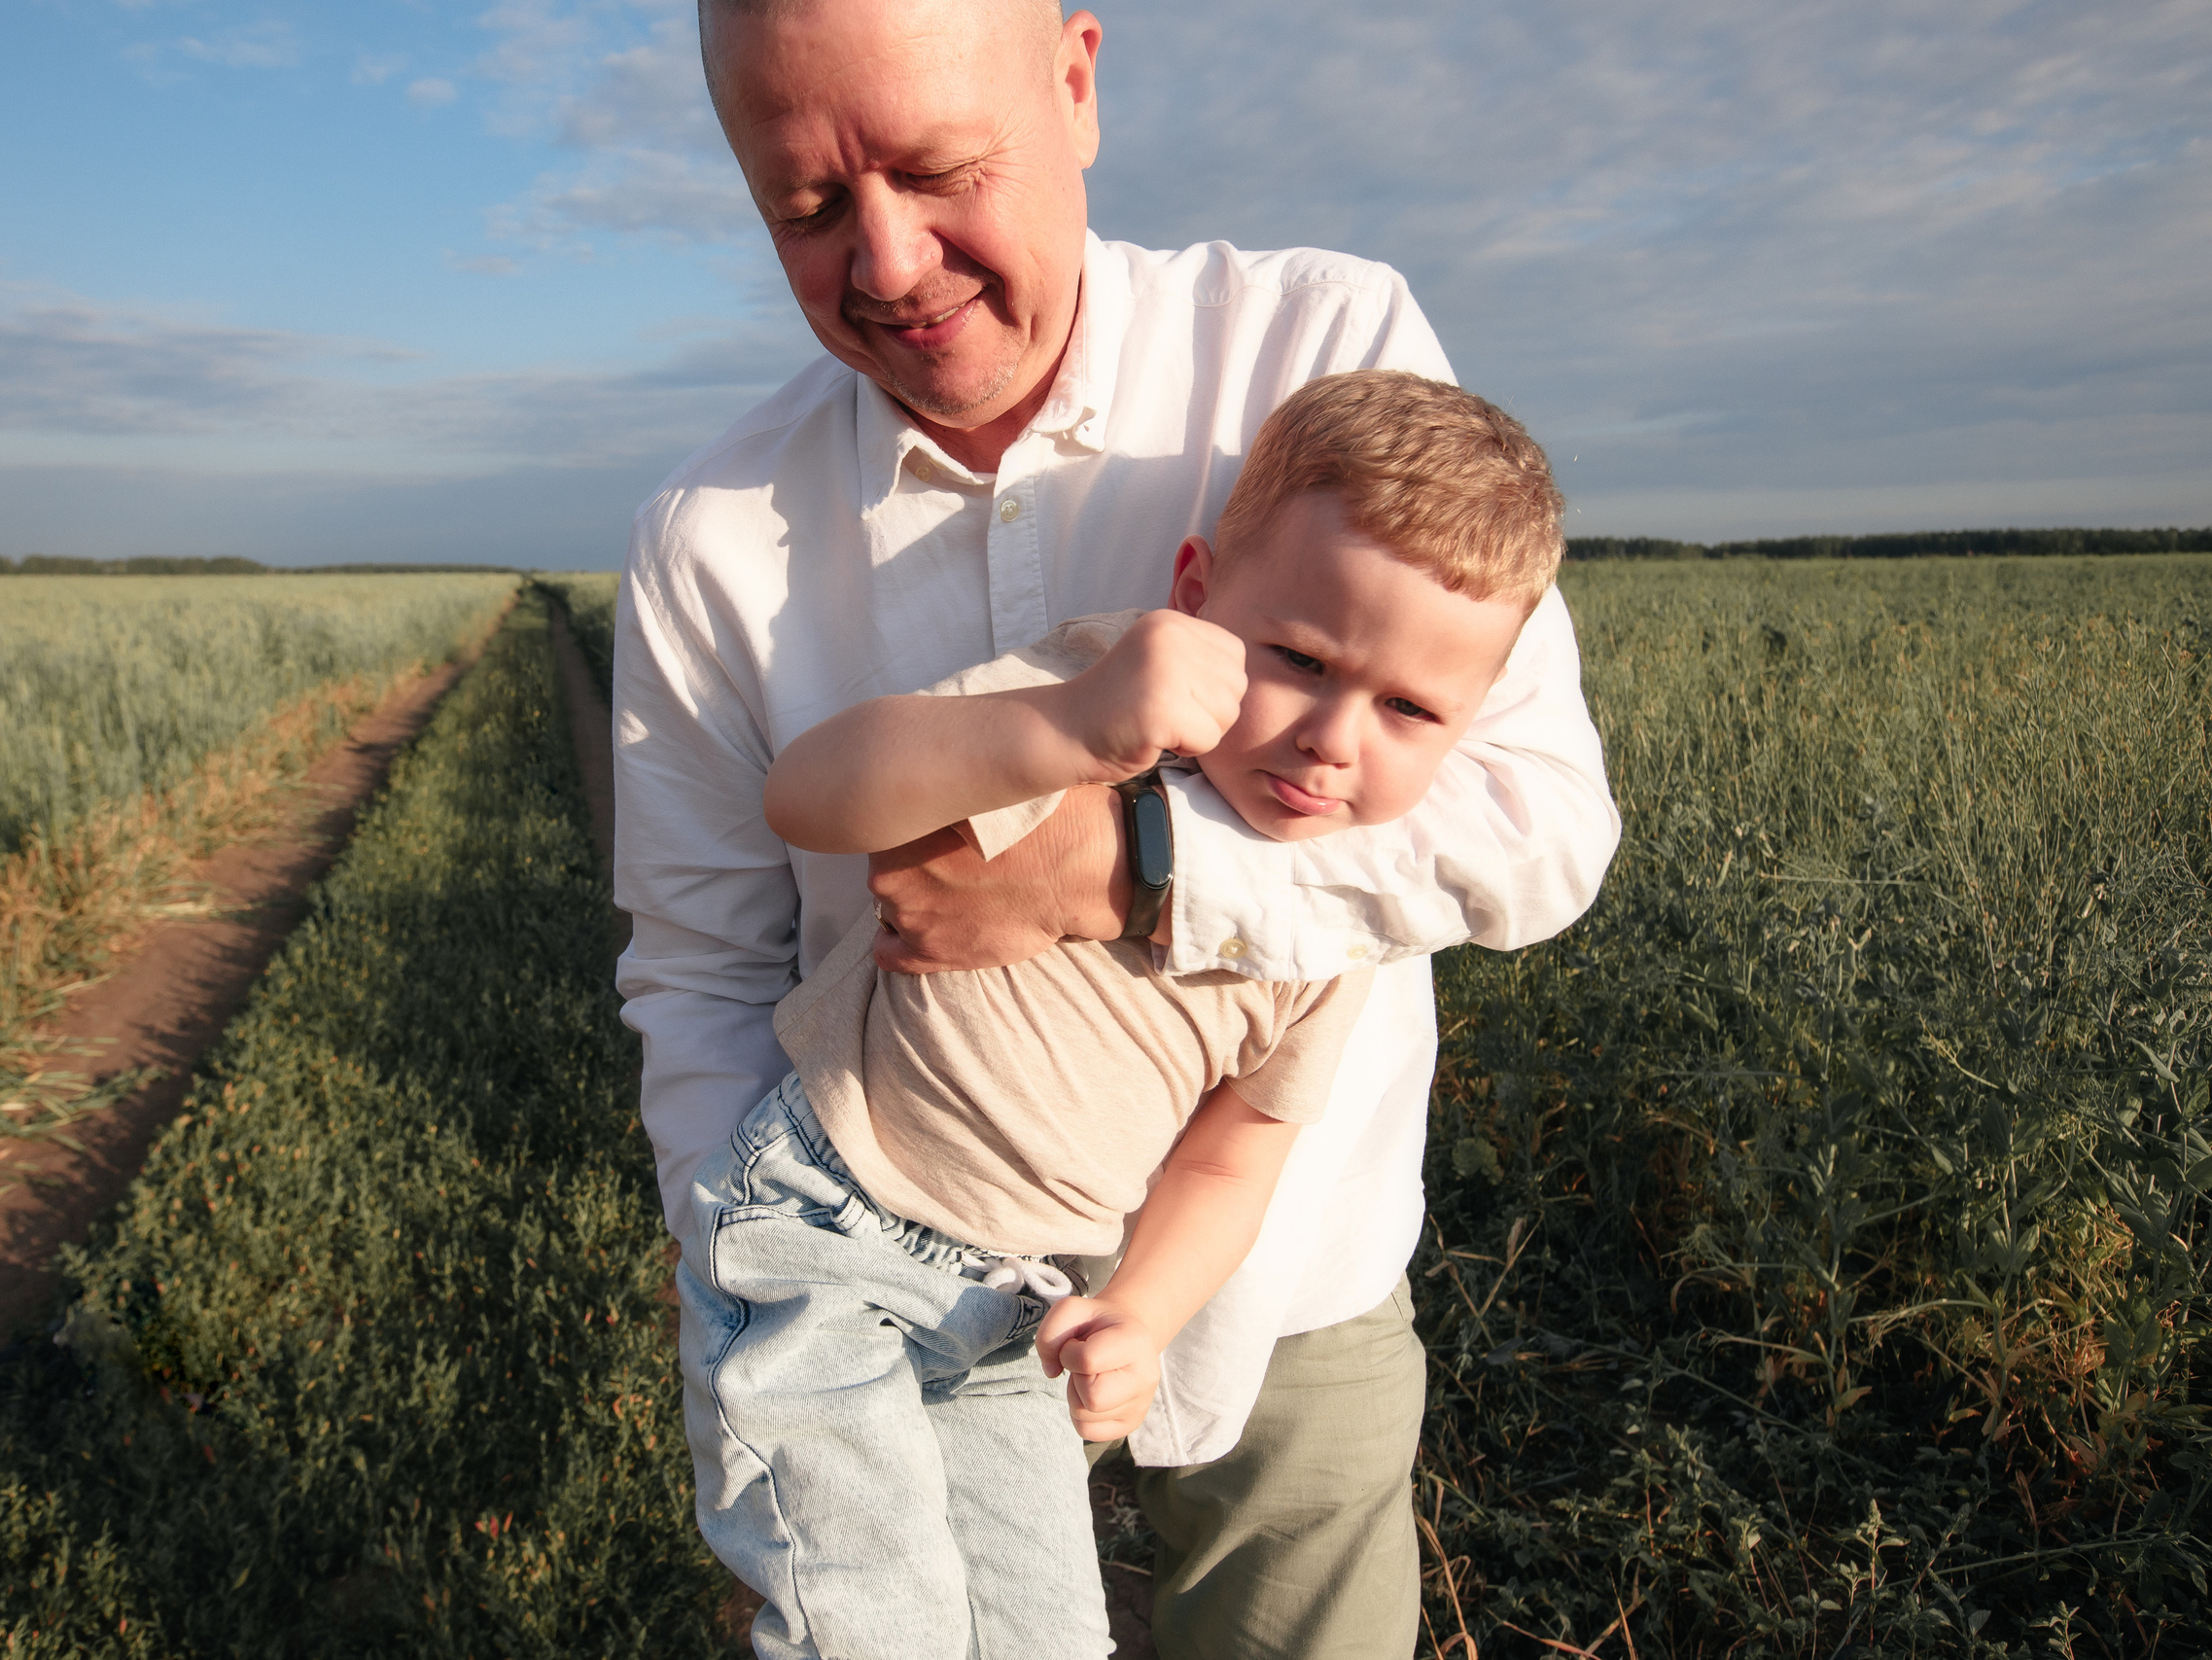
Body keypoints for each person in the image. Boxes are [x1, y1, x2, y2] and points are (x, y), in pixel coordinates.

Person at [614, 1, 1621, 1652]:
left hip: (1290, 1279)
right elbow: (705, 971)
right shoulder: (707, 538)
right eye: (803, 206)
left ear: (1076, 83)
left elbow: (1536, 818)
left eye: (940, 170)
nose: (886, 262)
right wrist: (742, 1311)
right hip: (881, 1253)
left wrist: (1127, 873)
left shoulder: (1320, 343)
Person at [678, 371, 1570, 1659]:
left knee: (1053, 1639)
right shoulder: (1101, 701)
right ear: (1197, 597)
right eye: (1302, 660)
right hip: (828, 1223)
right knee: (877, 1628)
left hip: (1012, 1307)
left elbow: (1232, 1152)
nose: (1332, 737)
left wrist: (1143, 1311)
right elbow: (812, 794)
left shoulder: (1340, 923)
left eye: (1410, 710)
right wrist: (1062, 721)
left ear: (1470, 726)